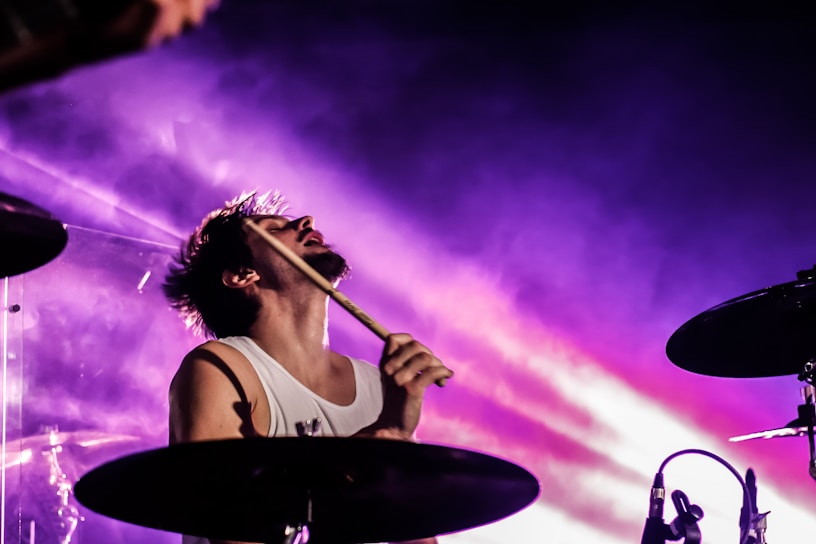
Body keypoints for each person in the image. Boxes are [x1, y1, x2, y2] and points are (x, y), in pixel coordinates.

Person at [163, 190, 454, 544]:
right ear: (242, 274)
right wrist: (377, 441)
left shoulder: (379, 385)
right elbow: (233, 534)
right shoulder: (218, 367)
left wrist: (395, 441)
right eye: (274, 230)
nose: (307, 222)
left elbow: (416, 537)